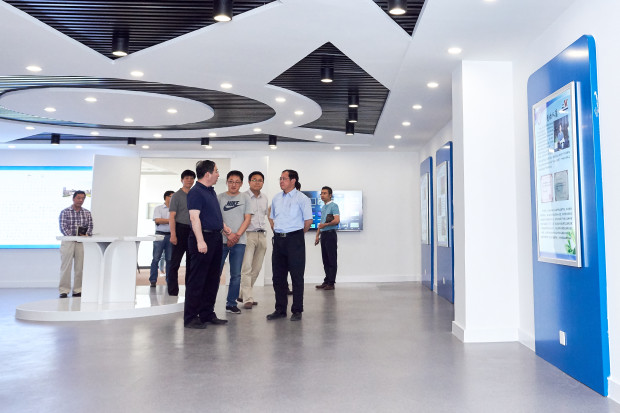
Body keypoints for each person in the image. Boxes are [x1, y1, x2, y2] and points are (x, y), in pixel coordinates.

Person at [184, 160, 232, 329]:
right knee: (197, 279)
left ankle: (207, 314)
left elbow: (211, 214)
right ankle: (190, 317)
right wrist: (200, 240)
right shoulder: (196, 192)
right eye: (216, 171)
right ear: (207, 174)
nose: (218, 175)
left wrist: (223, 226)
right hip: (203, 238)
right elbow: (194, 217)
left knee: (212, 279)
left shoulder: (210, 191)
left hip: (215, 238)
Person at [267, 169, 312, 321]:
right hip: (278, 240)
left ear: (293, 181)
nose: (281, 181)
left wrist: (297, 235)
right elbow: (271, 217)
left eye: (284, 178)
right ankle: (280, 310)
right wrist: (277, 230)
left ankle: (297, 310)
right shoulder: (276, 198)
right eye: (280, 178)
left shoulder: (302, 198)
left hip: (295, 240)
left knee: (296, 276)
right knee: (278, 277)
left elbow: (308, 221)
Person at [217, 170, 252, 314]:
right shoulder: (219, 197)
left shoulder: (245, 197)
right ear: (227, 182)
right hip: (221, 241)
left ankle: (231, 303)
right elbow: (217, 218)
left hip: (239, 241)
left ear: (241, 183)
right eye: (231, 181)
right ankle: (208, 303)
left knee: (236, 274)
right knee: (215, 273)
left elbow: (247, 219)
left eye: (237, 182)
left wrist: (236, 236)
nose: (234, 184)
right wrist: (228, 234)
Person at [238, 171, 268, 309]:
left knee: (256, 268)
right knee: (246, 267)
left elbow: (266, 215)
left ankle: (242, 294)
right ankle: (248, 298)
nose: (257, 182)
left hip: (262, 235)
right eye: (254, 180)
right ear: (249, 182)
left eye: (260, 180)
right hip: (248, 235)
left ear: (263, 183)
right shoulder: (243, 197)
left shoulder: (264, 198)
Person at [58, 190, 93, 298]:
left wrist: (86, 234)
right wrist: (73, 237)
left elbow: (90, 226)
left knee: (80, 267)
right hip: (68, 241)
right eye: (78, 198)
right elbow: (63, 227)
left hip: (81, 243)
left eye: (83, 198)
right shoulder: (65, 212)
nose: (80, 200)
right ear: (73, 198)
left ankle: (78, 290)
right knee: (66, 267)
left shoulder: (87, 213)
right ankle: (64, 290)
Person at [168, 169, 196, 296]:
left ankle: (189, 291)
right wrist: (173, 234)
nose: (189, 180)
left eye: (191, 178)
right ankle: (173, 291)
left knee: (191, 263)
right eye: (186, 178)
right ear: (181, 180)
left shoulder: (195, 194)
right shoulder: (176, 196)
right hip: (180, 230)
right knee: (175, 263)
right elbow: (172, 216)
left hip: (193, 231)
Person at [314, 186, 340, 290]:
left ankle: (331, 283)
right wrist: (317, 235)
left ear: (330, 195)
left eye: (324, 193)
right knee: (325, 259)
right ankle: (327, 280)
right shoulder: (323, 207)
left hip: (330, 234)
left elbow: (337, 220)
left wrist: (325, 225)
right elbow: (321, 223)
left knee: (331, 259)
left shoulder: (334, 206)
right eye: (321, 193)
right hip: (324, 235)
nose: (322, 195)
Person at [149, 190, 174, 288]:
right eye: (172, 196)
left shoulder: (175, 209)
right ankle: (153, 280)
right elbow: (158, 220)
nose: (173, 198)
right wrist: (171, 220)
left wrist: (166, 221)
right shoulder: (158, 208)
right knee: (156, 258)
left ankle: (169, 280)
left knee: (169, 259)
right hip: (159, 236)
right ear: (166, 197)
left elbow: (176, 222)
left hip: (170, 235)